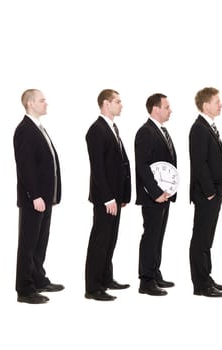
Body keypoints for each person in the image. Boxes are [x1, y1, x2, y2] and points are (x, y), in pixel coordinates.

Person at [13, 89, 64, 304]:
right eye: (42, 100)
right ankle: (24, 290)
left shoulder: (39, 128)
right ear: (30, 103)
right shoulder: (25, 130)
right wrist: (34, 195)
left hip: (46, 197)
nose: (46, 103)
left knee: (40, 241)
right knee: (28, 243)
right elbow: (26, 167)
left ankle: (38, 279)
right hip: (35, 198)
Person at [84, 89, 132, 301]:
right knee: (100, 241)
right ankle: (93, 288)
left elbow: (119, 163)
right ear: (106, 104)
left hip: (115, 197)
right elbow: (98, 169)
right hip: (106, 199)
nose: (121, 105)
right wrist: (107, 198)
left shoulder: (112, 128)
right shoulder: (96, 130)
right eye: (118, 102)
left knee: (111, 239)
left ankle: (106, 278)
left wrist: (122, 195)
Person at [135, 93, 177, 297]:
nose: (170, 110)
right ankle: (146, 280)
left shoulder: (162, 131)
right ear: (155, 109)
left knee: (159, 235)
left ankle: (155, 272)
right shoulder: (145, 132)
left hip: (164, 195)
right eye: (167, 107)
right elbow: (142, 166)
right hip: (153, 196)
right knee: (150, 236)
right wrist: (156, 192)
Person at [189, 87, 222, 297]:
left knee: (207, 238)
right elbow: (199, 163)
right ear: (206, 105)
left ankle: (207, 277)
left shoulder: (208, 127)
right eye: (217, 102)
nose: (220, 105)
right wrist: (210, 191)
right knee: (201, 238)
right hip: (207, 194)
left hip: (213, 192)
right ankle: (201, 284)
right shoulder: (199, 128)